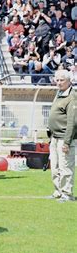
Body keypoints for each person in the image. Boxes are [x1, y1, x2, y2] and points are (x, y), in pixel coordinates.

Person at [47, 70, 76, 203]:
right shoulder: (59, 94)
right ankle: (58, 191)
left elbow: (72, 121)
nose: (58, 82)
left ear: (69, 81)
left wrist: (67, 142)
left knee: (66, 166)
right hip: (54, 137)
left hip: (64, 138)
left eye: (61, 80)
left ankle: (67, 193)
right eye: (57, 80)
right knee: (55, 167)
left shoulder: (72, 97)